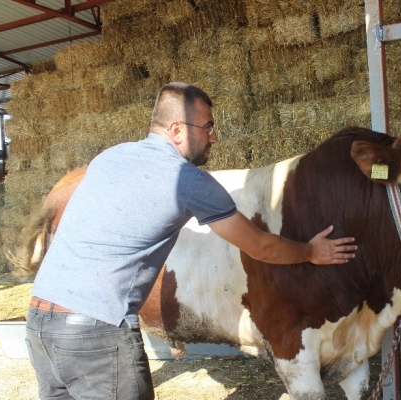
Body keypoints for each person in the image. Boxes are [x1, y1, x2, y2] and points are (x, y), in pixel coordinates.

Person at [25, 82, 357, 399]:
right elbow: (261, 246)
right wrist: (312, 251)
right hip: (97, 334)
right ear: (177, 130)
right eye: (207, 126)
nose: (215, 137)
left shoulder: (110, 157)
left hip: (40, 324)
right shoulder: (187, 181)